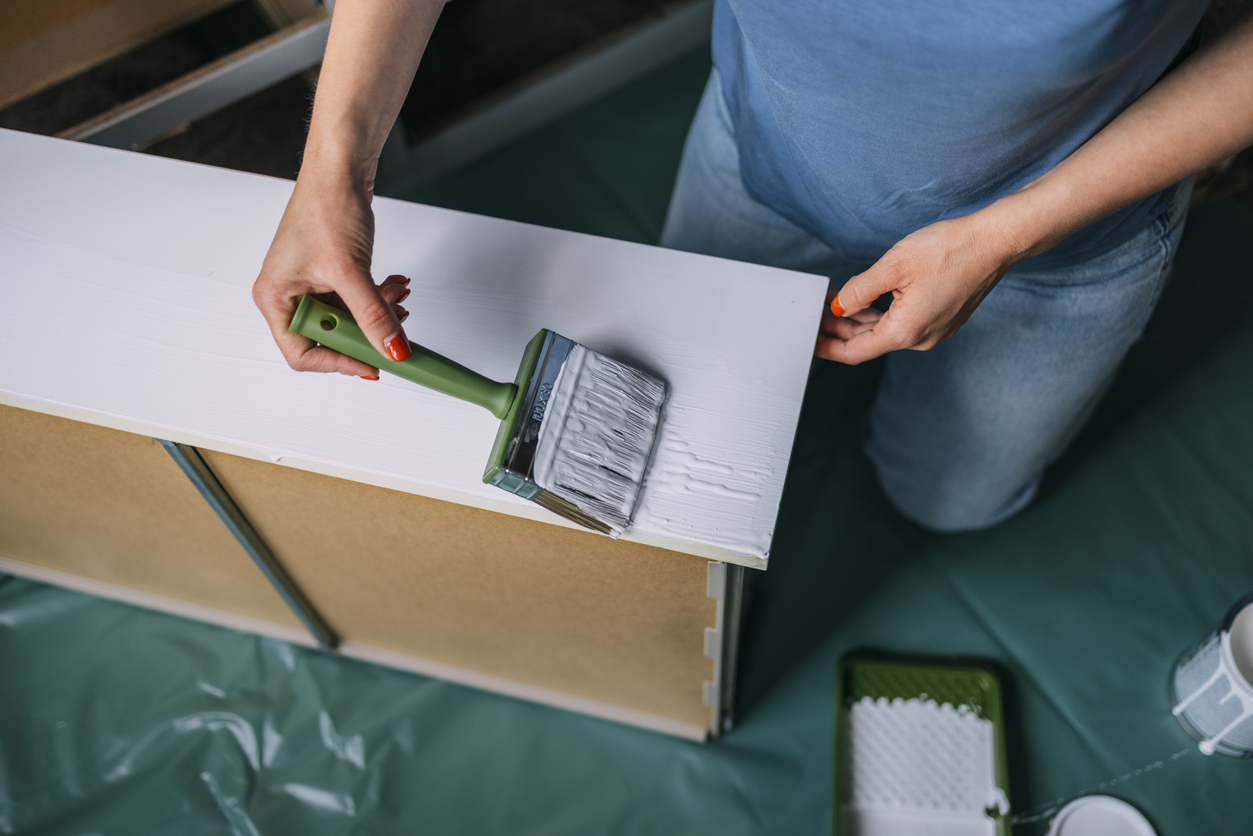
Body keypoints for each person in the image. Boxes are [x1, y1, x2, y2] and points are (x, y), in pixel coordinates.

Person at [253, 0, 1253, 531]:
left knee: (941, 503)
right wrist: (333, 166)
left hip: (1067, 229)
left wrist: (1006, 234)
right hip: (764, 147)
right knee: (690, 410)